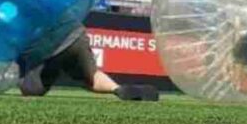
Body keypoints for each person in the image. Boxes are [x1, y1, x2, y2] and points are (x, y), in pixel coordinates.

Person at [18, 26, 160, 101]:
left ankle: (49, 70)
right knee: (92, 76)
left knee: (30, 90)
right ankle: (117, 89)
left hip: (48, 47)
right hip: (75, 35)